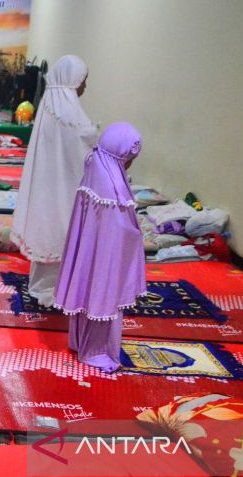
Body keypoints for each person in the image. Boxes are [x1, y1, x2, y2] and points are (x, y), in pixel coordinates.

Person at [53, 123, 146, 373]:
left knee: (86, 295)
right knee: (102, 300)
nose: (131, 164)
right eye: (131, 158)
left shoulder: (97, 164)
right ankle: (98, 351)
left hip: (90, 251)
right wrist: (137, 232)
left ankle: (79, 340)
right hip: (107, 257)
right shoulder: (111, 187)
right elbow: (119, 229)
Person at [10, 55, 99, 306]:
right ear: (72, 81)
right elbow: (83, 146)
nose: (85, 86)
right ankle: (58, 288)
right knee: (63, 230)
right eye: (84, 80)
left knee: (50, 227)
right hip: (67, 185)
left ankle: (46, 285)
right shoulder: (69, 113)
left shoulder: (51, 106)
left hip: (50, 183)